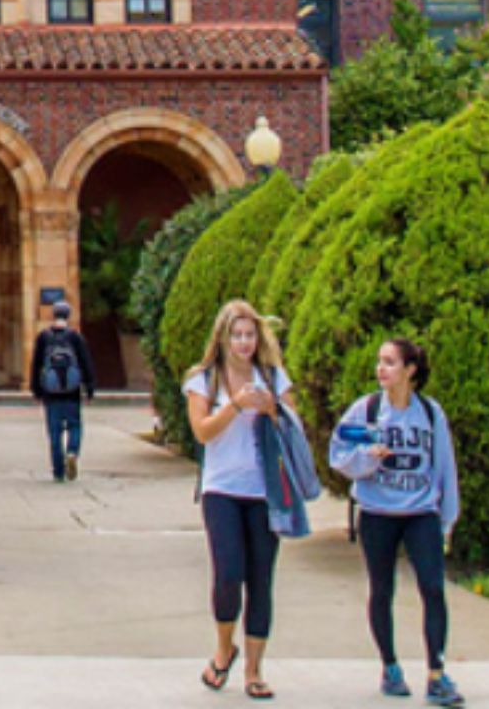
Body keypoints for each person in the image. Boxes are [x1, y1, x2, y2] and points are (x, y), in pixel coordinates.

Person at [330, 338, 463, 707]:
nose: (381, 369)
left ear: (410, 370)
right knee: (381, 589)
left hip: (421, 512)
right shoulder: (366, 410)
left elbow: (444, 468)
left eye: (390, 362)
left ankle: (437, 673)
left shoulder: (431, 414)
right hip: (377, 513)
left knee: (433, 588)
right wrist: (367, 458)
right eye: (379, 362)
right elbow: (338, 454)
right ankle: (390, 666)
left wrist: (446, 519)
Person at [184, 300, 294, 701]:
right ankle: (223, 646)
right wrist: (235, 405)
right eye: (237, 335)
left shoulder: (274, 377)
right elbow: (202, 431)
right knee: (228, 574)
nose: (244, 343)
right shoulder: (204, 380)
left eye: (250, 335)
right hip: (221, 489)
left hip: (264, 489)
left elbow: (294, 428)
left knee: (261, 579)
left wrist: (272, 409)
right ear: (223, 337)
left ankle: (254, 669)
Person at [29, 299, 95, 482]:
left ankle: (58, 471)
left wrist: (36, 390)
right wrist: (89, 389)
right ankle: (72, 452)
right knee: (74, 426)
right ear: (68, 316)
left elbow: (36, 365)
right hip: (72, 392)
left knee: (55, 432)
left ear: (53, 315)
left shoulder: (44, 337)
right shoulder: (75, 337)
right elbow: (86, 363)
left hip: (51, 394)